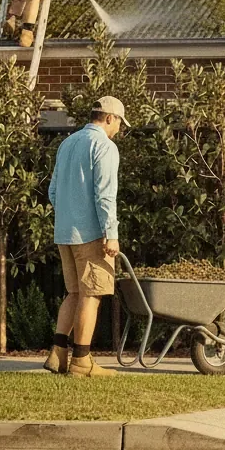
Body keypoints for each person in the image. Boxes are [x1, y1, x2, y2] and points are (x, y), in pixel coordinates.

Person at [45, 96, 129, 378]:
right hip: (92, 234)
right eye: (119, 123)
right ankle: (81, 361)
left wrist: (69, 215)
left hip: (64, 232)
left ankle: (58, 353)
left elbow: (53, 191)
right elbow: (105, 195)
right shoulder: (104, 146)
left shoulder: (67, 143)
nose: (119, 129)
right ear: (109, 118)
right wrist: (111, 234)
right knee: (92, 295)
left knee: (75, 292)